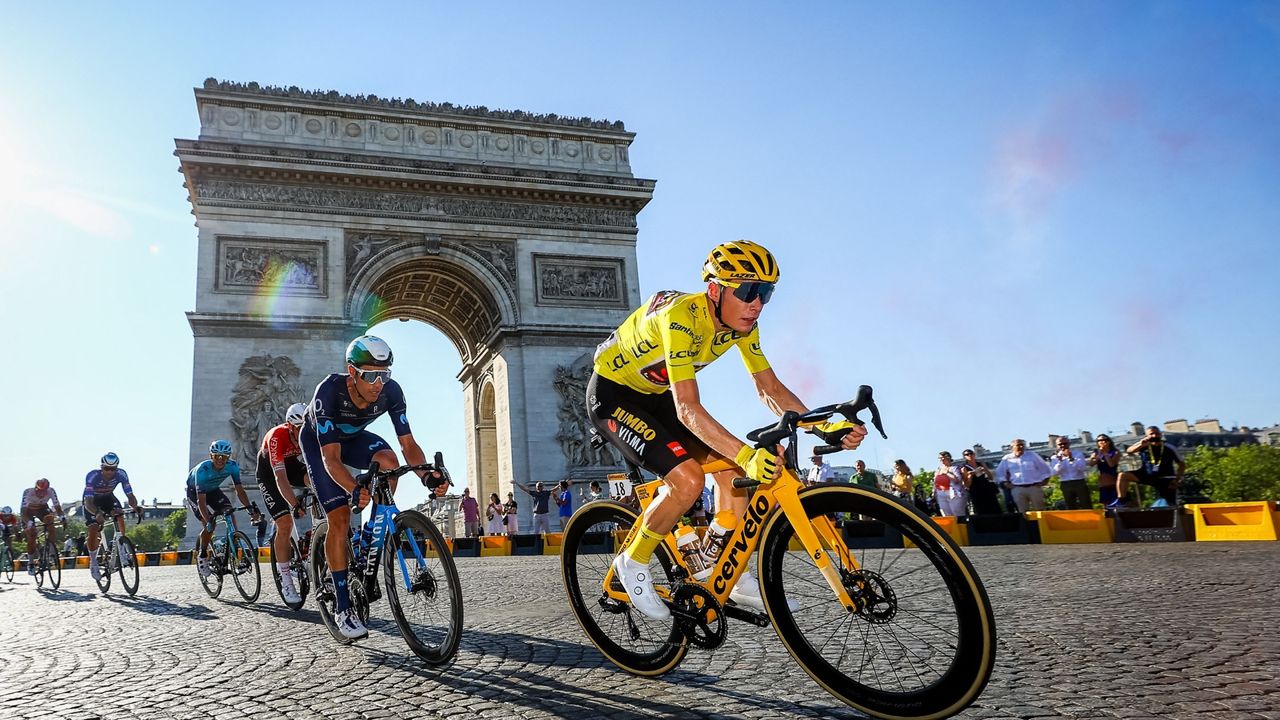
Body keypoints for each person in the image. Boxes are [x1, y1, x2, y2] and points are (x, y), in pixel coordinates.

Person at [587, 240, 866, 619]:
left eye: (765, 292)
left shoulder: (743, 326)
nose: (757, 303)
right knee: (688, 481)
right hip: (613, 395)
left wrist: (825, 426)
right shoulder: (682, 318)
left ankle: (723, 572)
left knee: (733, 474)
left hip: (656, 397)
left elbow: (771, 389)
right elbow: (687, 407)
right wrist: (747, 452)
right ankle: (632, 563)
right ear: (715, 290)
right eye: (748, 290)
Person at [299, 335, 442, 641]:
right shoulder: (328, 392)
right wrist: (353, 488)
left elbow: (408, 445)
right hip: (321, 447)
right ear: (352, 372)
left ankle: (372, 534)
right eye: (371, 375)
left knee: (389, 460)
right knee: (338, 518)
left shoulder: (391, 391)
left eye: (385, 373)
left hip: (354, 440)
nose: (379, 383)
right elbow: (331, 460)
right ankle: (342, 605)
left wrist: (427, 476)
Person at [256, 402, 311, 605]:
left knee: (315, 480)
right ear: (290, 426)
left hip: (292, 466)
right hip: (269, 474)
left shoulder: (308, 433)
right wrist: (295, 504)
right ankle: (285, 578)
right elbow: (280, 478)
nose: (303, 433)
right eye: (299, 429)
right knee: (286, 523)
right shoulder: (277, 436)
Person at [187, 440, 259, 582]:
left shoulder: (232, 466)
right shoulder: (203, 470)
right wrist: (208, 521)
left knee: (229, 511)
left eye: (224, 457)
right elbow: (201, 501)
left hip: (213, 490)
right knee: (210, 525)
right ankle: (202, 555)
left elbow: (240, 490)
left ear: (229, 457)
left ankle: (234, 541)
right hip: (195, 494)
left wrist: (250, 509)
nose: (220, 460)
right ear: (211, 456)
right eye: (217, 456)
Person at [83, 451, 143, 581]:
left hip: (108, 498)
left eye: (113, 469)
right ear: (101, 467)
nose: (110, 472)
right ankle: (93, 562)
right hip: (92, 501)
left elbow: (130, 495)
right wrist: (97, 513)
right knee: (93, 528)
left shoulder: (121, 474)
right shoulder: (92, 476)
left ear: (117, 468)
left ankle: (122, 548)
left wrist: (135, 507)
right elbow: (88, 502)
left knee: (119, 513)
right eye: (106, 469)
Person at [1111, 426, 1184, 508]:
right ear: (1146, 436)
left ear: (1160, 434)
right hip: (1148, 476)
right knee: (1123, 475)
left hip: (1165, 478)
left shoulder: (1169, 447)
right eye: (1151, 434)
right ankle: (1121, 501)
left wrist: (1177, 479)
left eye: (1156, 433)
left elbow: (1181, 464)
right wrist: (1140, 445)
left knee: (1171, 504)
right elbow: (1129, 450)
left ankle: (1174, 511)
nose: (1154, 436)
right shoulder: (1144, 445)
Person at [20, 479, 66, 575]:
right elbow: (23, 513)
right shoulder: (28, 492)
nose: (42, 493)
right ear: (35, 488)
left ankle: (52, 552)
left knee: (50, 522)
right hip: (28, 511)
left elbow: (57, 507)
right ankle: (31, 563)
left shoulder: (51, 491)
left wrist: (62, 517)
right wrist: (29, 523)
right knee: (31, 535)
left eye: (44, 491)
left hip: (42, 509)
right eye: (39, 491)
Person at [994, 439, 1052, 512]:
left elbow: (1045, 468)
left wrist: (1045, 481)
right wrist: (1005, 483)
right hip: (1018, 488)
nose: (1021, 447)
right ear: (1012, 447)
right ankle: (1028, 524)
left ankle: (1041, 523)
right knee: (1023, 512)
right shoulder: (1007, 459)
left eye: (1022, 445)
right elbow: (1000, 472)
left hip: (1033, 487)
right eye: (1018, 445)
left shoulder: (1032, 455)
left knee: (1040, 510)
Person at [1050, 437, 1091, 510]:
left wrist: (1071, 459)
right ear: (1057, 445)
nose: (1063, 446)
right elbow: (1054, 473)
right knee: (1070, 506)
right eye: (1060, 444)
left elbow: (1082, 468)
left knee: (1086, 503)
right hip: (1065, 483)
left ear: (1069, 444)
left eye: (1065, 443)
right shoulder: (1054, 457)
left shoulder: (1077, 454)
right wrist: (1060, 462)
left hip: (1079, 481)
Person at [959, 450, 1001, 515]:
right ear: (964, 457)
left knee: (995, 508)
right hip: (975, 490)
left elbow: (990, 477)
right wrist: (970, 475)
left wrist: (985, 470)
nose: (970, 455)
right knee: (981, 510)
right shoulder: (964, 467)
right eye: (967, 455)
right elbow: (967, 485)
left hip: (986, 488)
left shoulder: (981, 464)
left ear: (974, 454)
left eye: (971, 454)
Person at [1088, 434, 1121, 506]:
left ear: (1108, 441)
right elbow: (1091, 464)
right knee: (1106, 504)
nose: (1102, 442)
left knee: (1116, 503)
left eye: (1104, 440)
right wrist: (1098, 454)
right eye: (1099, 441)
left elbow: (1111, 464)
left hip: (1113, 480)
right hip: (1103, 482)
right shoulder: (1096, 452)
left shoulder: (1115, 452)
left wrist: (1105, 453)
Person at [933, 452, 969, 517]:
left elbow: (957, 480)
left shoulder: (954, 468)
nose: (941, 460)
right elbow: (935, 481)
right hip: (941, 493)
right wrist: (934, 491)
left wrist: (947, 473)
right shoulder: (938, 469)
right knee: (945, 513)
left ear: (948, 457)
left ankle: (961, 526)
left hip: (953, 493)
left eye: (942, 458)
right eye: (940, 458)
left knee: (957, 513)